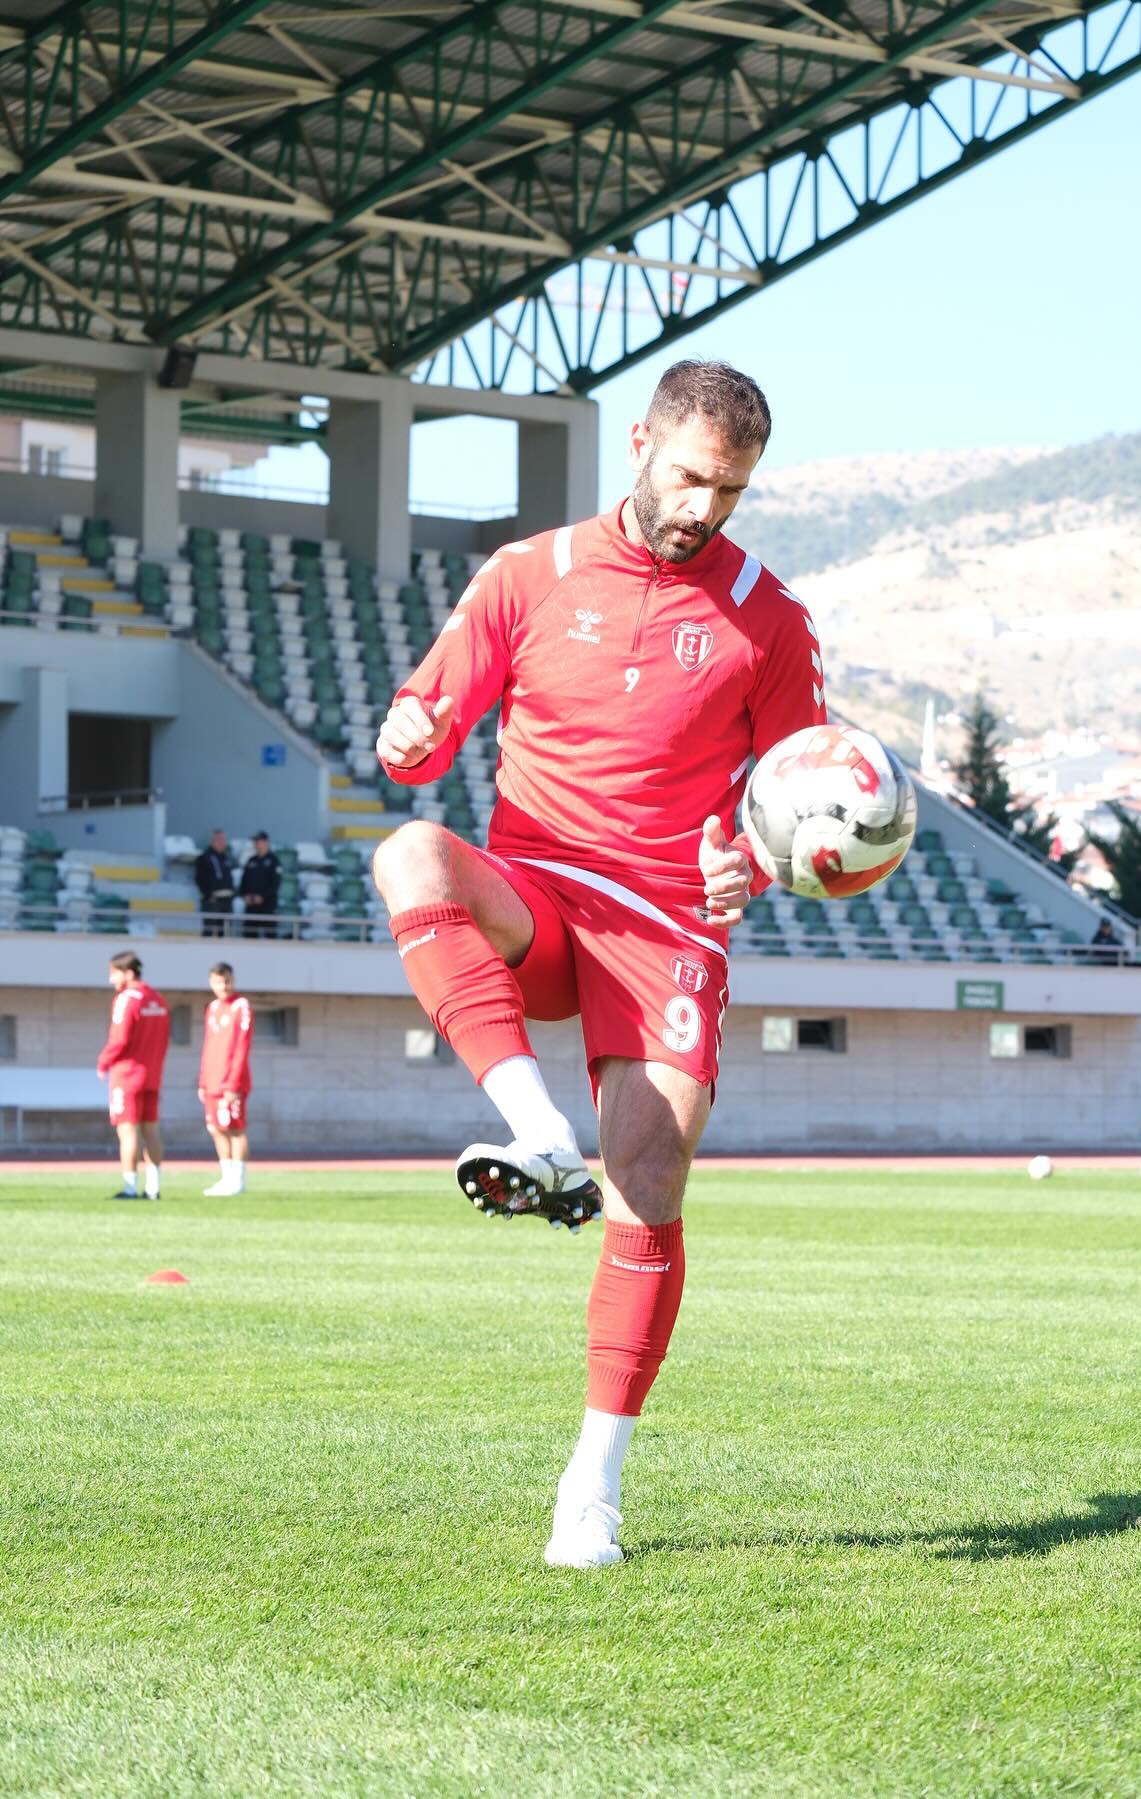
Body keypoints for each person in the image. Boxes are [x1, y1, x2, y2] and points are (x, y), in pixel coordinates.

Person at [370, 359, 823, 1571]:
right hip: (540, 899)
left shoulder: (770, 617)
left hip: (668, 922)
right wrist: (407, 732)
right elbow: (420, 733)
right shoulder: (525, 576)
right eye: (689, 477)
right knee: (410, 854)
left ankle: (593, 1483)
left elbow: (793, 799)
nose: (704, 509)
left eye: (729, 491)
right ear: (640, 442)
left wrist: (757, 869)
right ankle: (532, 1126)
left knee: (652, 1173)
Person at [96, 951, 170, 1200]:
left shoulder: (126, 999)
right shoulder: (158, 999)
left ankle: (129, 1187)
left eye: (113, 973)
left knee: (127, 1132)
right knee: (152, 1132)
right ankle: (153, 1188)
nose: (111, 980)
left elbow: (119, 1038)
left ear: (128, 973)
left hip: (127, 1075)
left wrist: (103, 1061)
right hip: (152, 1075)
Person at [199, 961, 253, 1195]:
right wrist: (202, 1080)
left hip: (232, 1081)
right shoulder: (212, 1008)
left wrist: (233, 1083)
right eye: (219, 982)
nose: (224, 986)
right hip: (212, 1080)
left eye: (228, 980)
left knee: (235, 1129)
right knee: (216, 1129)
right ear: (212, 983)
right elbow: (208, 1045)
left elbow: (242, 1046)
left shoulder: (241, 1006)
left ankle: (238, 1181)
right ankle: (226, 1177)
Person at [240, 831, 281, 939]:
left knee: (269, 936)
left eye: (258, 841)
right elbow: (243, 882)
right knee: (249, 936)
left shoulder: (273, 861)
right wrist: (245, 895)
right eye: (255, 841)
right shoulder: (251, 861)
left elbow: (275, 884)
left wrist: (262, 897)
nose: (256, 844)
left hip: (267, 907)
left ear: (265, 842)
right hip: (251, 906)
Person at [194, 828, 235, 938]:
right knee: (209, 929)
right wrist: (208, 895)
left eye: (223, 839)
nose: (222, 842)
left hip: (227, 900)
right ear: (213, 840)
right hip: (212, 900)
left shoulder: (226, 858)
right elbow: (199, 878)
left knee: (225, 931)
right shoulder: (205, 857)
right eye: (219, 839)